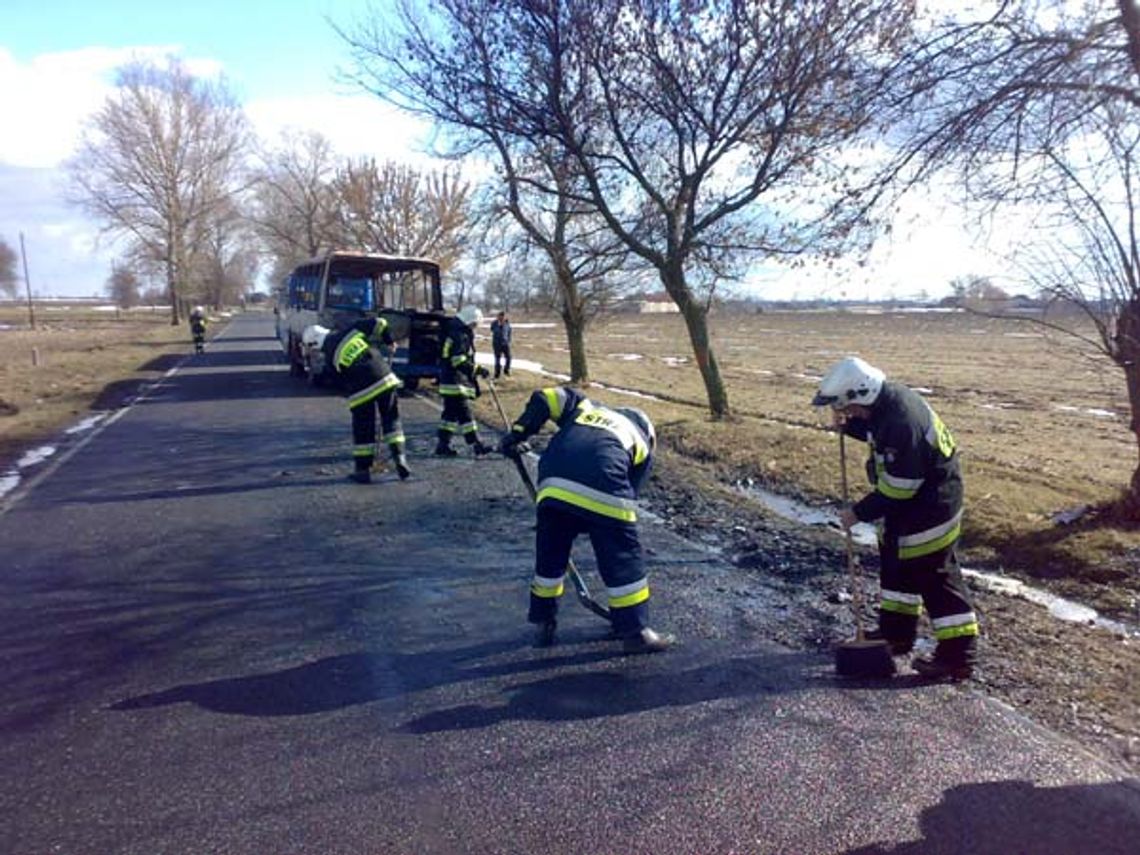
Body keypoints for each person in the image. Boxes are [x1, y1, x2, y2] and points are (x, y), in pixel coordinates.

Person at [813, 356, 979, 681]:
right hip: (907, 505)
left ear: (861, 394)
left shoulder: (902, 420)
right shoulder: (885, 404)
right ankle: (896, 636)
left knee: (935, 578)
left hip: (931, 507)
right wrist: (851, 427)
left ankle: (957, 658)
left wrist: (858, 513)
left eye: (848, 408)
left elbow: (902, 485)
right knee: (896, 568)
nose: (846, 414)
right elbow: (877, 430)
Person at [498, 385, 675, 654]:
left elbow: (546, 397)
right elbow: (628, 495)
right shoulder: (640, 440)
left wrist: (518, 433)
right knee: (623, 555)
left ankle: (544, 622)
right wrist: (599, 527)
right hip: (603, 481)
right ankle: (635, 631)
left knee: (550, 556)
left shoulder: (585, 407)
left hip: (552, 481)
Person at [321, 316, 410, 484]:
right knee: (391, 420)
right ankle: (400, 460)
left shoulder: (329, 360)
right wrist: (388, 341)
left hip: (360, 392)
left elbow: (338, 384)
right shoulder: (351, 331)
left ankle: (363, 471)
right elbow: (380, 322)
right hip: (385, 379)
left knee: (363, 429)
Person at [435, 305, 494, 457]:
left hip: (448, 380)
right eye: (474, 324)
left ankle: (443, 445)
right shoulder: (460, 334)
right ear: (469, 321)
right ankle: (477, 444)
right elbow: (458, 360)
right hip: (456, 383)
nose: (475, 327)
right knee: (465, 414)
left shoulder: (453, 330)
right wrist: (478, 370)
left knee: (449, 416)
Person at [490, 310, 512, 379]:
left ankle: (506, 370)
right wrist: (499, 326)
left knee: (508, 357)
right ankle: (497, 373)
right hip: (497, 344)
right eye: (500, 316)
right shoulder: (494, 323)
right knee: (497, 359)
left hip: (505, 343)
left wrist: (508, 341)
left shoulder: (507, 323)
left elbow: (509, 332)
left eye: (503, 316)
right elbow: (492, 330)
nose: (502, 318)